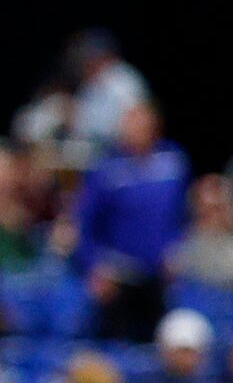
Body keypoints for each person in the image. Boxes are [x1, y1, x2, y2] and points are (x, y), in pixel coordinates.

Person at [74, 102, 191, 345]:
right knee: (118, 346)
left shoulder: (173, 162)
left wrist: (178, 248)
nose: (136, 129)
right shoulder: (106, 168)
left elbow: (182, 215)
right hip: (118, 276)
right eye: (131, 122)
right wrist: (94, 266)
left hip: (158, 276)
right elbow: (85, 224)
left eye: (142, 122)